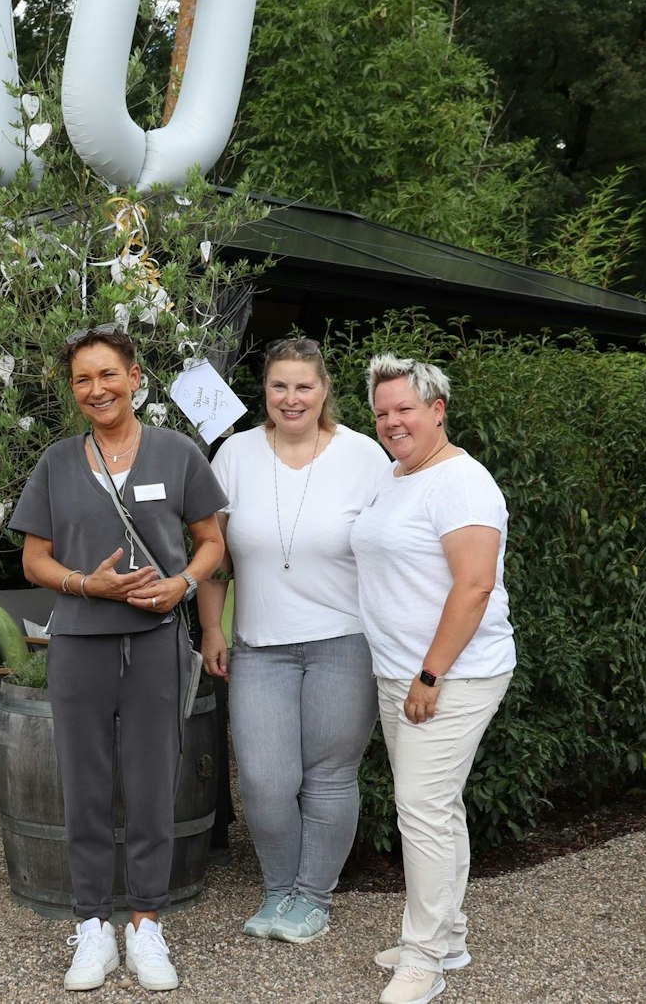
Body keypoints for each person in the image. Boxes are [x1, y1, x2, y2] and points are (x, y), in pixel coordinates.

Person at [12, 326, 226, 993]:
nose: (97, 388)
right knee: (85, 786)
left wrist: (183, 583)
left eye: (108, 374)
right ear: (73, 390)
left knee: (153, 782)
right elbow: (34, 557)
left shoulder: (178, 453)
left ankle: (145, 923)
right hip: (79, 640)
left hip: (156, 642)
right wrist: (86, 583)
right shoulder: (57, 462)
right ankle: (92, 927)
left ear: (136, 377)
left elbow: (212, 541)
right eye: (83, 379)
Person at [197, 338, 392, 944]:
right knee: (262, 777)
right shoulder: (234, 454)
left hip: (344, 641)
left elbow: (398, 548)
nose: (291, 398)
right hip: (259, 644)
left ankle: (313, 898)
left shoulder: (364, 456)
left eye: (303, 386)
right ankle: (279, 889)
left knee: (329, 775)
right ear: (266, 391)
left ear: (324, 390)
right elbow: (211, 553)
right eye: (280, 386)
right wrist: (212, 628)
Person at [349, 354, 516, 1004]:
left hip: (452, 675)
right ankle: (450, 934)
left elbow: (474, 586)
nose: (393, 421)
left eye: (405, 409)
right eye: (383, 410)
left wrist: (430, 673)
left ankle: (424, 959)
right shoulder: (397, 476)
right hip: (402, 672)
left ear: (437, 409)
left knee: (420, 811)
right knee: (434, 806)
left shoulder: (461, 482)